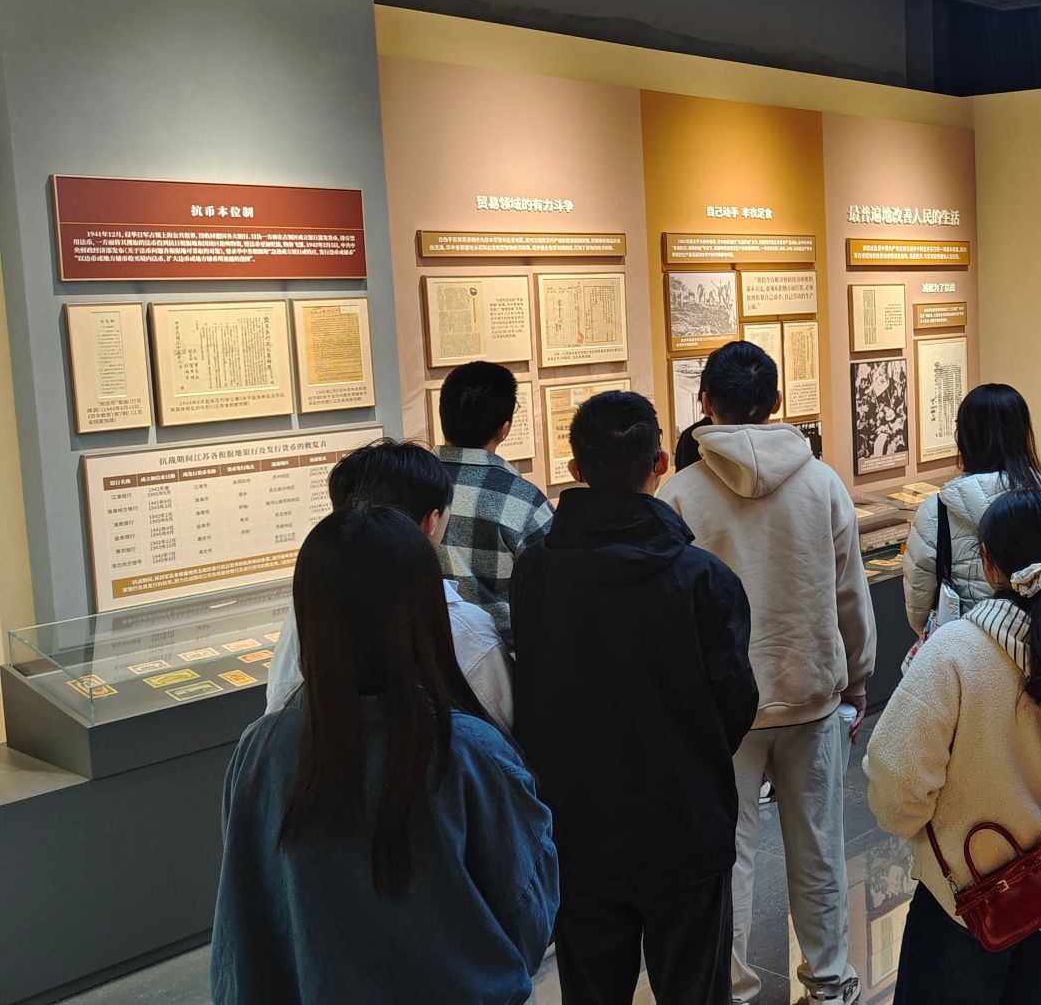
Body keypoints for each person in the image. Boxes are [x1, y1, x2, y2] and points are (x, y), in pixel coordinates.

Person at [213, 506, 557, 1005]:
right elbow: (528, 915)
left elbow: (242, 915)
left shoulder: (261, 749)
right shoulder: (468, 753)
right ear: (425, 610)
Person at [512, 391, 757, 1005]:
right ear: (660, 464)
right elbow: (734, 705)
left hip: (576, 825)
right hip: (684, 821)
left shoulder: (535, 571)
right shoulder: (703, 579)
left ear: (575, 469)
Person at [657, 340, 875, 1005]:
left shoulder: (679, 494)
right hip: (811, 691)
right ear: (777, 401)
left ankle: (732, 988)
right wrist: (858, 679)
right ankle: (830, 981)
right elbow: (850, 593)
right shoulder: (823, 483)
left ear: (705, 403)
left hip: (720, 711)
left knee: (728, 858)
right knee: (819, 851)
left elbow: (671, 611)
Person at [866, 489, 1041, 1005]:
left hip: (960, 898)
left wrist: (925, 829)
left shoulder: (952, 652)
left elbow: (896, 786)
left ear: (987, 561)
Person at [267, 439, 513, 731]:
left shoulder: (308, 613)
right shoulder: (467, 629)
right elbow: (504, 733)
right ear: (431, 522)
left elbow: (279, 709)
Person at [904, 383, 1041, 634]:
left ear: (965, 436)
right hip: (1038, 639)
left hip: (963, 642)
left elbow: (919, 607)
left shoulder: (937, 510)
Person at [436, 361, 553, 643]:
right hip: (504, 654)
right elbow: (554, 591)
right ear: (505, 428)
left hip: (426, 653)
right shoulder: (524, 501)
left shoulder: (407, 484)